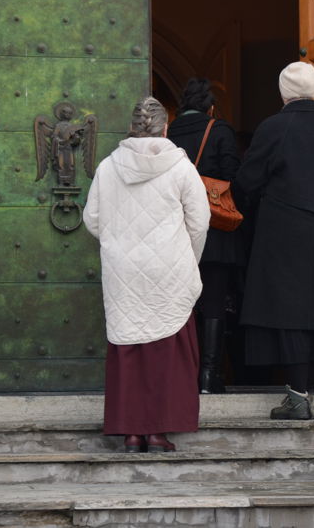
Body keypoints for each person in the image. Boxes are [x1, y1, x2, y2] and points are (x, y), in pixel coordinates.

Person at [234, 62, 314, 420]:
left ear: (283, 92)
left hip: (285, 227)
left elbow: (247, 180)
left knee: (290, 309)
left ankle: (296, 397)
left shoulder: (274, 127)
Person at [83, 96, 209, 453]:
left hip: (124, 268)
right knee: (165, 348)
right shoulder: (182, 167)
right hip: (170, 266)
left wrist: (117, 242)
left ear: (132, 128)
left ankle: (132, 432)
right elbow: (199, 221)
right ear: (165, 128)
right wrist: (188, 257)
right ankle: (158, 432)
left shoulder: (109, 167)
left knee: (130, 348)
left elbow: (92, 218)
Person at [167, 78, 242, 394]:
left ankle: (181, 376)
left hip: (175, 232)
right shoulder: (220, 131)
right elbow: (232, 177)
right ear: (210, 107)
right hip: (215, 231)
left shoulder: (168, 134)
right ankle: (209, 376)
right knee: (212, 302)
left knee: (179, 305)